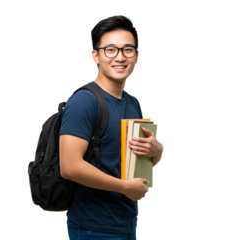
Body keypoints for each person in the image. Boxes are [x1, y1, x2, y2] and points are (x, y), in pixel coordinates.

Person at [60, 14, 165, 240]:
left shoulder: (133, 102)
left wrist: (158, 152)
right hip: (92, 228)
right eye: (110, 50)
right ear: (94, 56)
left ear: (137, 56)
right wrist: (124, 187)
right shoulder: (83, 101)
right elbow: (69, 166)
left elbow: (135, 162)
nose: (120, 57)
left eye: (128, 50)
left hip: (127, 223)